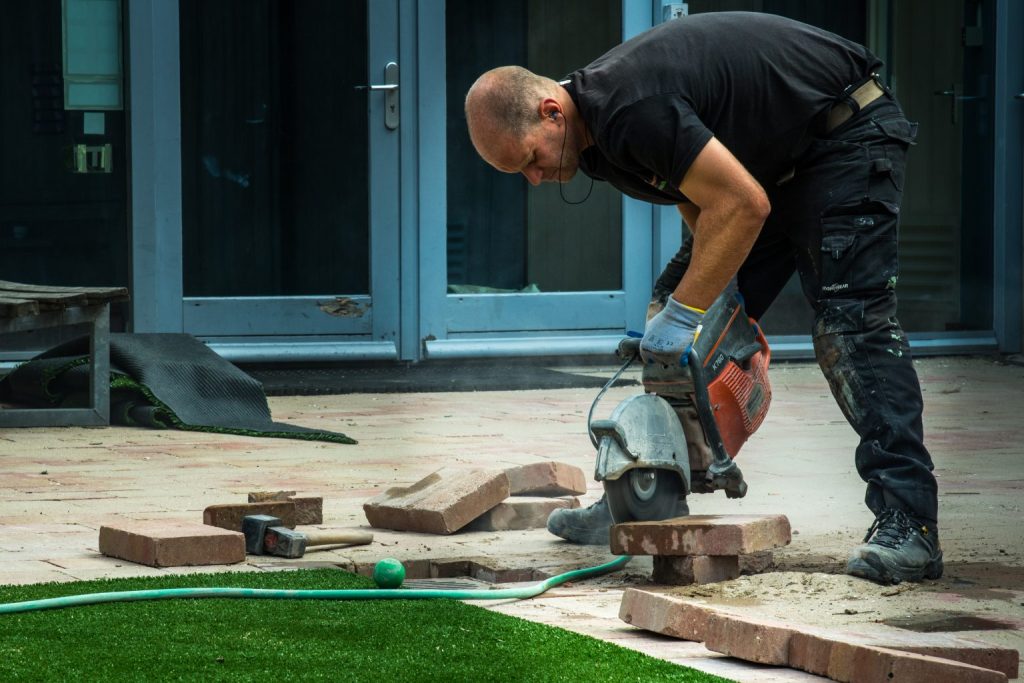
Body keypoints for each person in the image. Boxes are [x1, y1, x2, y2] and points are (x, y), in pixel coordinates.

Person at [464, 12, 942, 585]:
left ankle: (909, 523)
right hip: (775, 167)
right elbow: (701, 203)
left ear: (549, 112)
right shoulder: (593, 142)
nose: (536, 180)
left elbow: (743, 206)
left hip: (844, 135)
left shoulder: (629, 109)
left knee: (851, 325)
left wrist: (687, 316)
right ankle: (651, 493)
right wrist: (689, 316)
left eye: (531, 160)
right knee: (676, 304)